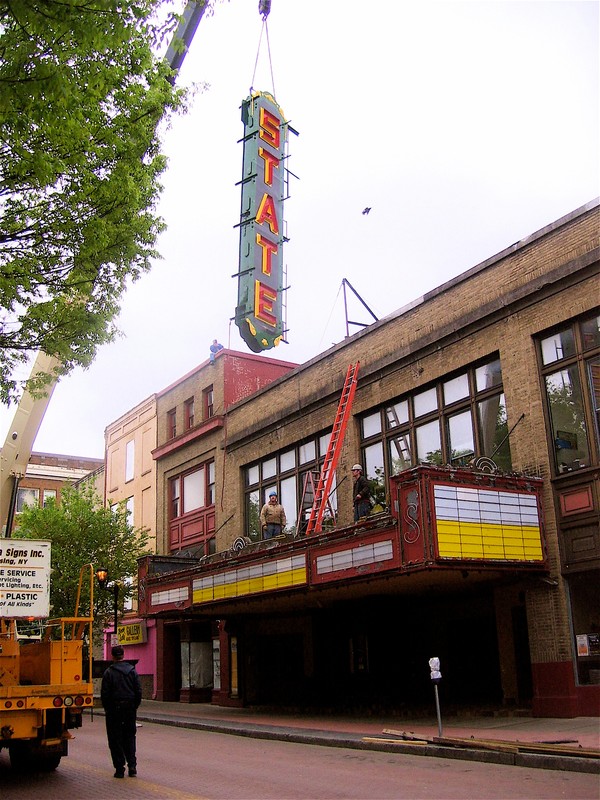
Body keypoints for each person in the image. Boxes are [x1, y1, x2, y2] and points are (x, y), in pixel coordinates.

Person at [101, 644, 142, 779]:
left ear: (112, 656)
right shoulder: (132, 671)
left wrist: (108, 709)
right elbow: (138, 691)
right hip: (129, 708)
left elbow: (105, 695)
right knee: (130, 736)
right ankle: (132, 766)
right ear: (123, 655)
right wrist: (134, 706)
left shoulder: (109, 672)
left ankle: (119, 768)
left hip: (114, 709)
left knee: (115, 739)